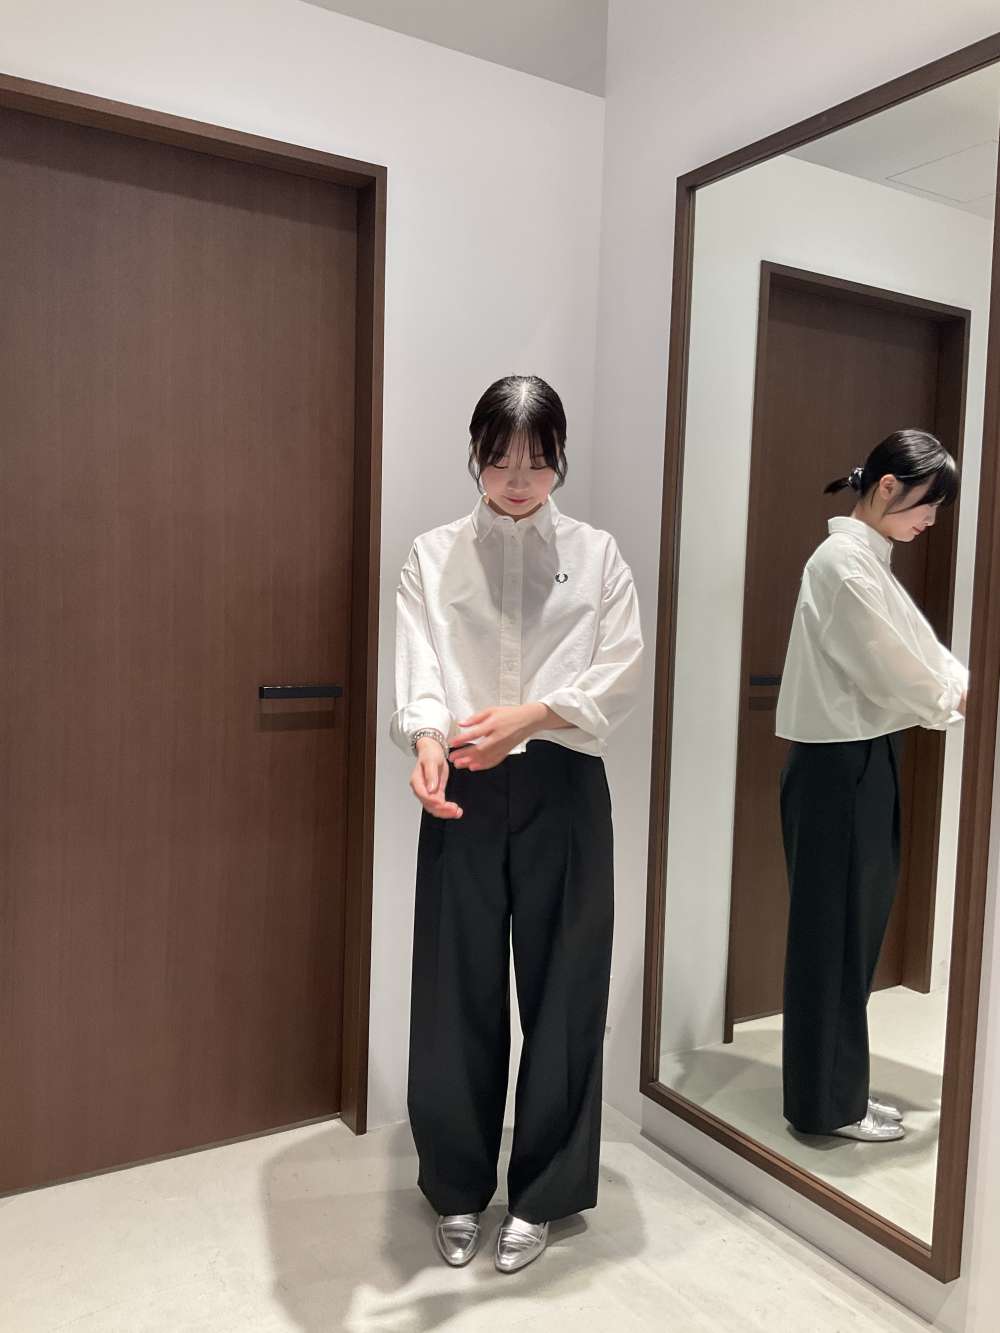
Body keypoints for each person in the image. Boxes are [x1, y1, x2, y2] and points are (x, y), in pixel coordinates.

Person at [389, 374, 643, 1272]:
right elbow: (420, 664)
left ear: (560, 457)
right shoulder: (433, 554)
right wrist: (427, 741)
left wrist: (530, 717)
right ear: (476, 455)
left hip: (563, 782)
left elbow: (620, 667)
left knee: (565, 989)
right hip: (461, 777)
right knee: (453, 988)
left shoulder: (598, 555)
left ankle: (543, 1193)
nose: (520, 479)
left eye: (539, 461)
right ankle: (457, 1186)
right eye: (501, 461)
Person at [775, 429, 968, 1143]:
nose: (932, 520)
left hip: (857, 758)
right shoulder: (842, 564)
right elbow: (893, 664)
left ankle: (840, 1093)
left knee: (850, 933)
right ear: (888, 486)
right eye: (928, 504)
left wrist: (956, 688)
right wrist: (956, 698)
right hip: (837, 766)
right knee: (833, 937)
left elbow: (917, 649)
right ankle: (828, 1105)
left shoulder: (864, 559)